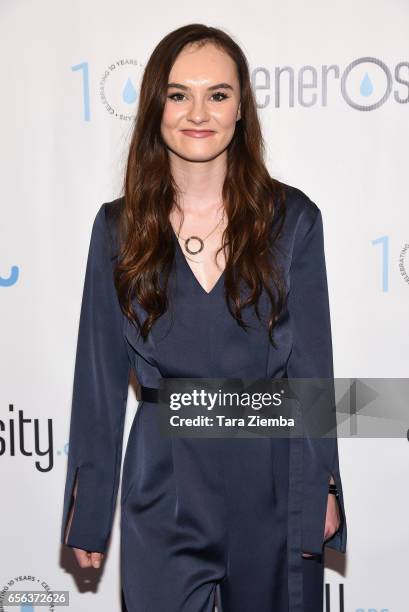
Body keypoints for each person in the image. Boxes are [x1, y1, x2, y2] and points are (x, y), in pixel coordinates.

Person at [60, 23, 347, 611]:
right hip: (163, 483)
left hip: (270, 475)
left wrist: (323, 484)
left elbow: (312, 370)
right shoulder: (118, 228)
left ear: (241, 108)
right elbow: (99, 379)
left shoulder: (293, 220)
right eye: (178, 93)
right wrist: (89, 510)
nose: (199, 112)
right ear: (155, 107)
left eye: (218, 94)